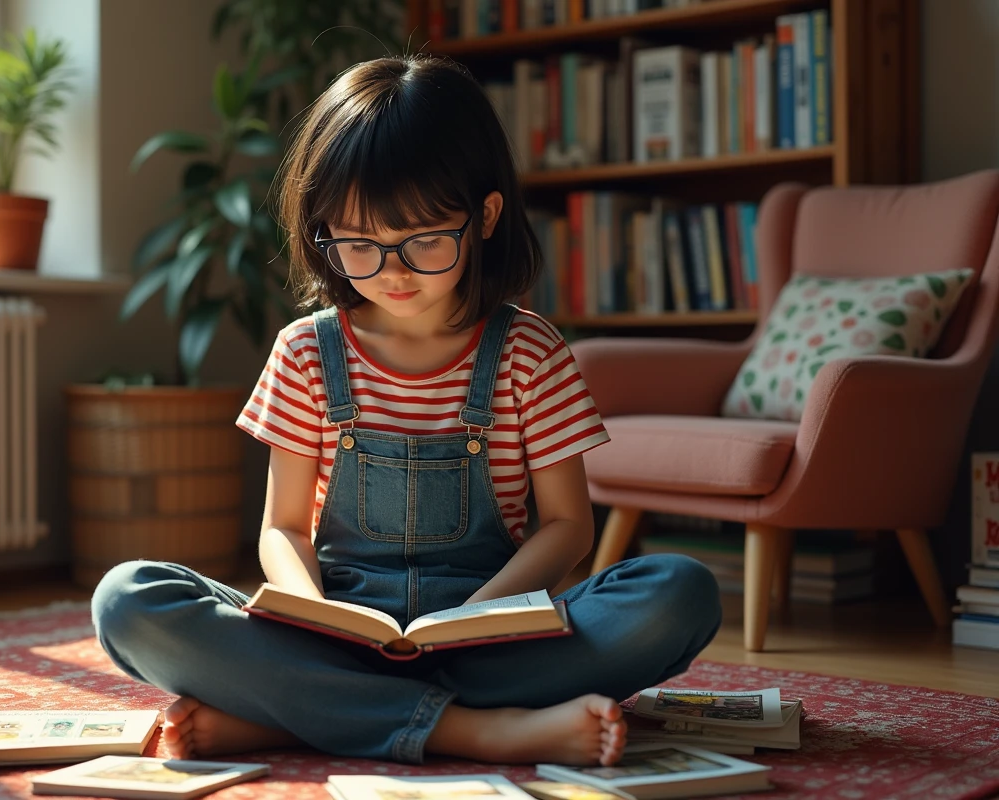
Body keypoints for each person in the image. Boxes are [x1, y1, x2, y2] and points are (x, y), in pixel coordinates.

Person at [91, 54, 721, 769]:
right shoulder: (305, 351)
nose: (391, 271)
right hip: (332, 633)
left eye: (423, 241)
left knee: (679, 593)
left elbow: (569, 528)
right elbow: (283, 529)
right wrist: (314, 614)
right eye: (359, 244)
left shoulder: (530, 352)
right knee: (127, 600)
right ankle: (473, 730)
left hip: (488, 636)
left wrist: (475, 616)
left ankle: (302, 712)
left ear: (484, 216)